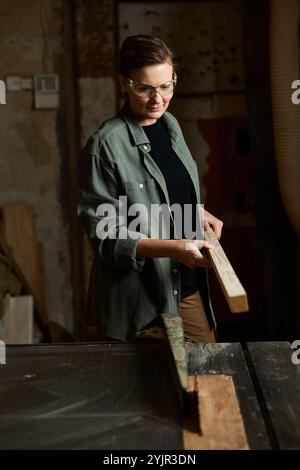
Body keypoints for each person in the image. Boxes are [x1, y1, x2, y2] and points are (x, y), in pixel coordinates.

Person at [77, 35, 223, 343]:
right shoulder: (105, 146)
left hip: (187, 287)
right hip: (138, 301)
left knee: (208, 376)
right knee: (147, 389)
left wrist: (196, 212)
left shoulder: (170, 126)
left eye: (166, 85)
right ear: (124, 83)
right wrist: (174, 248)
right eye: (145, 88)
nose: (158, 98)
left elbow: (167, 192)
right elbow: (106, 235)